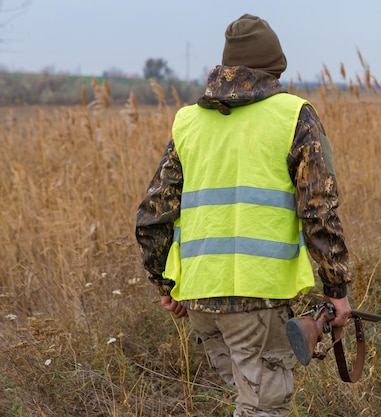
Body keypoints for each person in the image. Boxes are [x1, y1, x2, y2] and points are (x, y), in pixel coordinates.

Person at [135, 13, 352, 417]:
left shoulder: (187, 122)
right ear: (274, 69)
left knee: (250, 401)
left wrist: (165, 285)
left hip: (200, 301)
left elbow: (152, 216)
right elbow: (319, 210)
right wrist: (337, 290)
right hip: (259, 299)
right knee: (264, 408)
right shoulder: (294, 115)